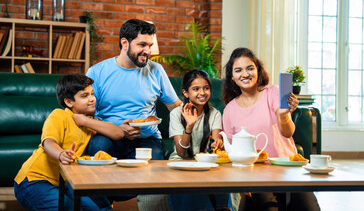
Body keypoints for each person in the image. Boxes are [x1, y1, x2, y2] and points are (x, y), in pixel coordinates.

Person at [222, 47, 320, 211]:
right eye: (238, 70)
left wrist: (283, 115)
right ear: (232, 77)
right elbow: (232, 154)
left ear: (258, 70)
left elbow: (288, 132)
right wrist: (239, 183)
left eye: (250, 68)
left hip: (288, 169)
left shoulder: (273, 92)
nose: (245, 74)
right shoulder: (229, 110)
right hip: (256, 175)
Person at [14, 74, 125, 211]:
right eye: (84, 96)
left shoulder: (90, 123)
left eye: (92, 93)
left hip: (64, 184)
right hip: (34, 182)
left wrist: (84, 120)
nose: (92, 99)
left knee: (101, 209)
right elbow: (48, 142)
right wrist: (61, 154)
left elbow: (118, 133)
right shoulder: (59, 115)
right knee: (69, 208)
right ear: (69, 102)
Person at [86, 19, 181, 161]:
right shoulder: (97, 72)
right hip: (108, 136)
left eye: (150, 45)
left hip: (146, 138)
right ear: (125, 43)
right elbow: (86, 115)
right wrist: (118, 129)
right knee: (98, 146)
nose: (148, 51)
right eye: (142, 45)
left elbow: (176, 107)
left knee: (154, 161)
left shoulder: (156, 70)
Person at [168, 69, 233, 211]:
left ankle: (224, 208)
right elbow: (181, 153)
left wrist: (218, 144)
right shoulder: (175, 114)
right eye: (196, 89)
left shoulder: (215, 113)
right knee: (193, 184)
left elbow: (216, 146)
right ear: (185, 93)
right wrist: (189, 126)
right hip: (181, 163)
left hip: (204, 163)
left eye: (206, 88)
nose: (202, 93)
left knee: (222, 179)